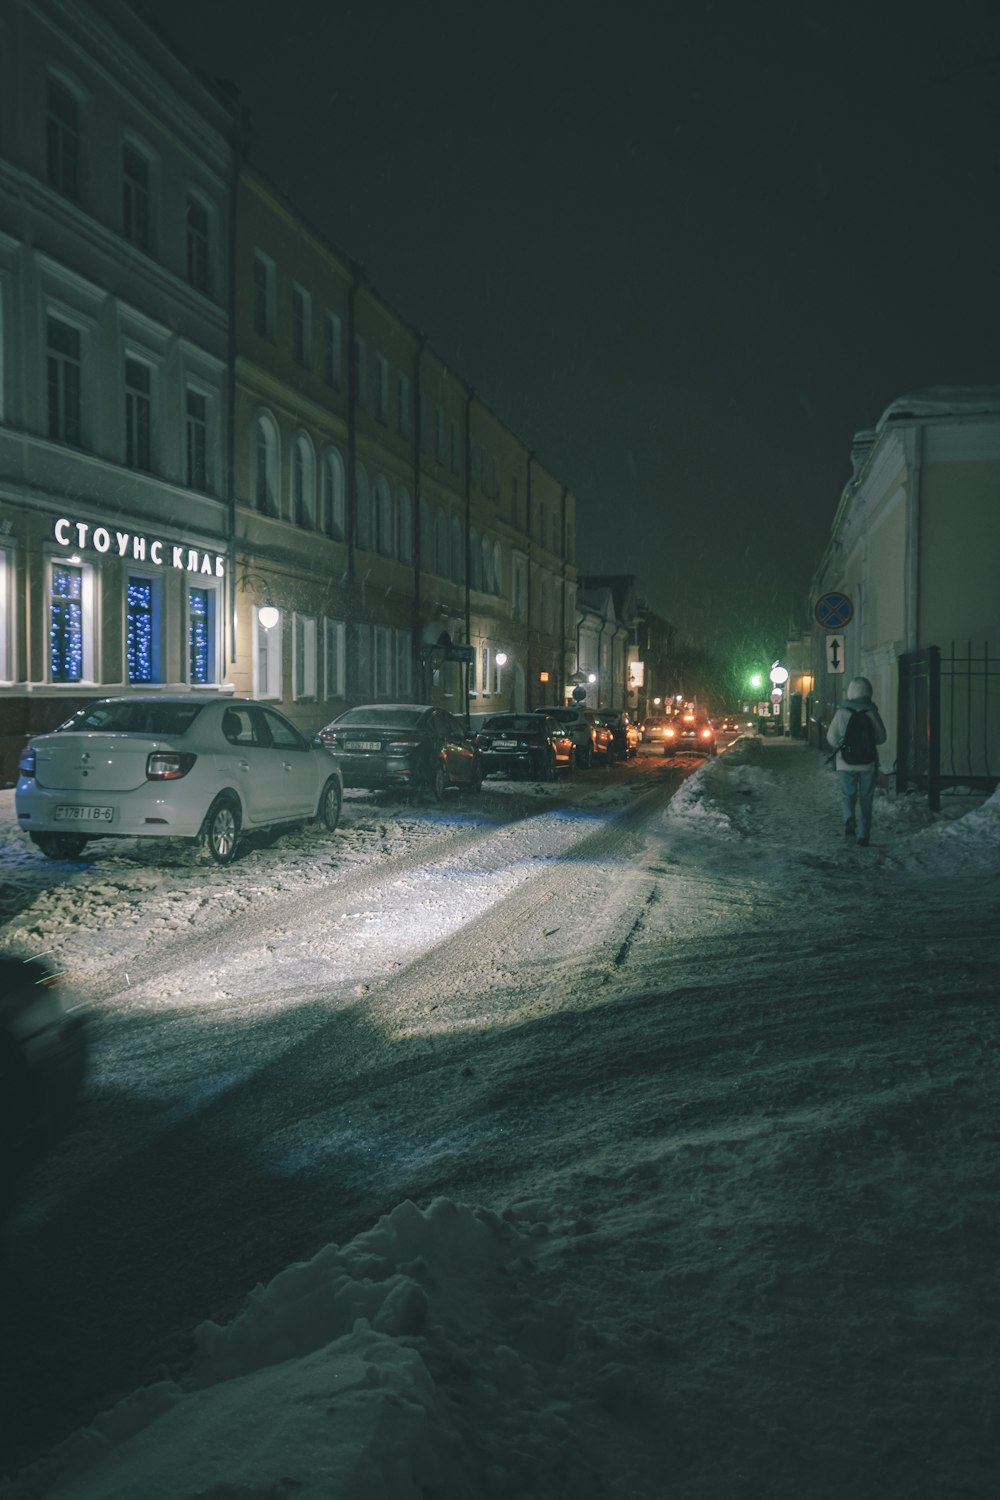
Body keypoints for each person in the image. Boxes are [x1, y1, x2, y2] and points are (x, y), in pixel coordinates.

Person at [826, 675, 887, 847]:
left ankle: (849, 818)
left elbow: (831, 737)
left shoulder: (841, 713)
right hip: (867, 763)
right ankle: (864, 835)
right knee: (866, 800)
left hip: (846, 762)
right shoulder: (872, 713)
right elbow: (882, 738)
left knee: (848, 795)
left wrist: (843, 743)